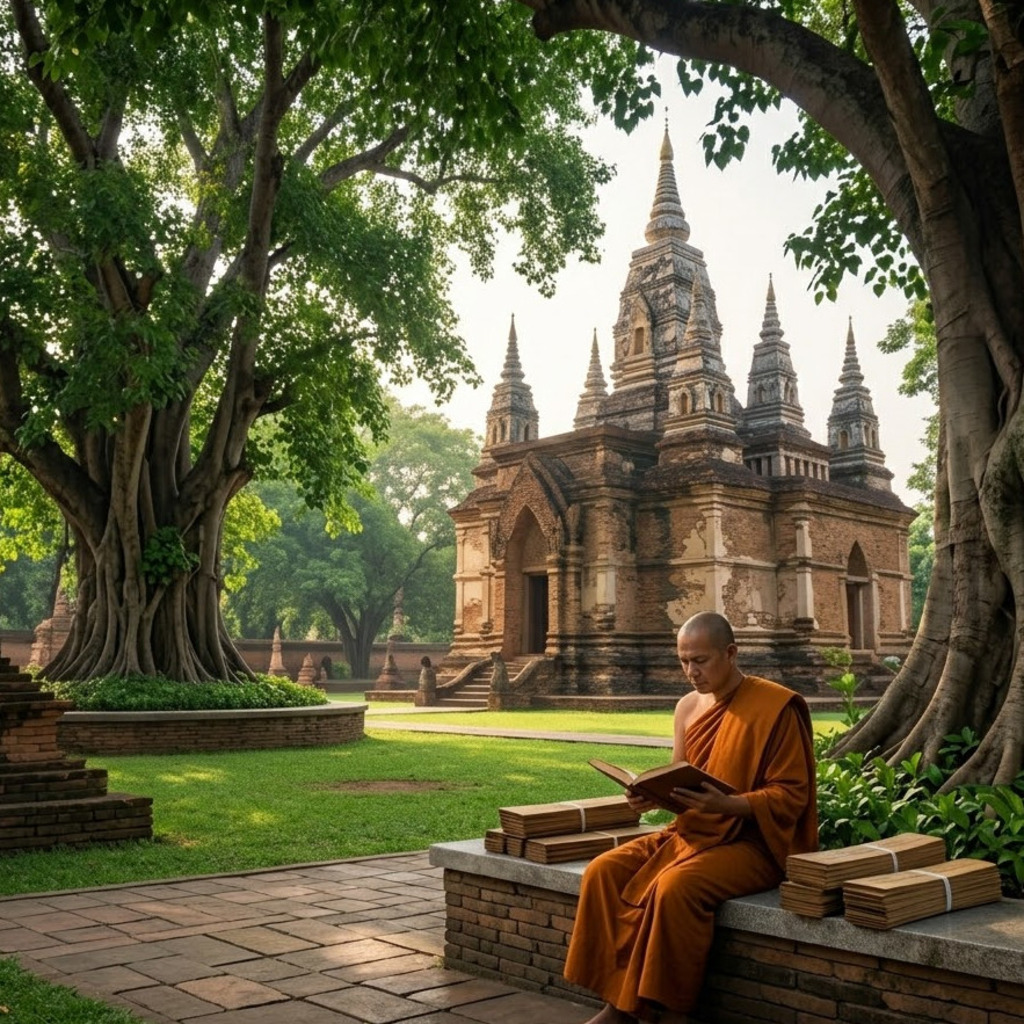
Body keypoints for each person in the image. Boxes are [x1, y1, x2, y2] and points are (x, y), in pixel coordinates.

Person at [563, 611, 817, 1024]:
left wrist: (730, 806)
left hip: (751, 841)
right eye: (683, 661)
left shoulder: (775, 707)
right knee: (603, 871)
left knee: (675, 888)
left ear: (731, 653)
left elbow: (792, 795)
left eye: (700, 660)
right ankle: (618, 1005)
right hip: (692, 832)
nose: (690, 672)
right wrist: (651, 796)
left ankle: (670, 1012)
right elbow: (682, 779)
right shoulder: (686, 707)